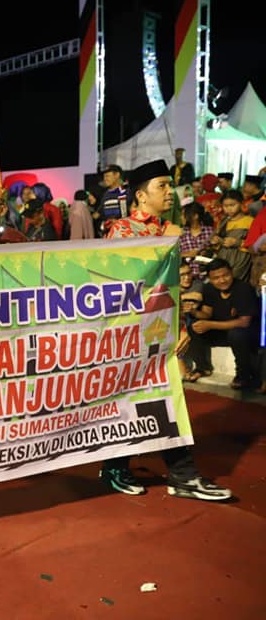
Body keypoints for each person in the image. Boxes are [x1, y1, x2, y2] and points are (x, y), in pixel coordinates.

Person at [99, 159, 231, 502]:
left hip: (162, 330)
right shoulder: (122, 231)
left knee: (161, 399)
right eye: (162, 186)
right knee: (136, 401)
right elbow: (122, 284)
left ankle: (175, 474)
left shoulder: (170, 230)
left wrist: (179, 326)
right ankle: (130, 469)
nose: (169, 191)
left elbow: (171, 286)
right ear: (141, 196)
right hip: (130, 333)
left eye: (169, 185)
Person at [184, 258, 260, 390]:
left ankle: (244, 375)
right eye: (216, 278)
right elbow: (207, 314)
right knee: (193, 327)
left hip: (245, 334)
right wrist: (194, 312)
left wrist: (210, 325)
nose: (222, 280)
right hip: (221, 331)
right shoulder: (209, 289)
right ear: (210, 279)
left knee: (237, 334)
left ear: (232, 272)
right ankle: (202, 367)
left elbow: (244, 322)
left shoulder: (244, 289)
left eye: (226, 275)